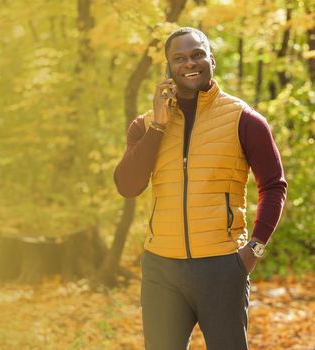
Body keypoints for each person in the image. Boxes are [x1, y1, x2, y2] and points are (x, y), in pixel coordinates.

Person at [113, 27, 287, 349]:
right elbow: (127, 186)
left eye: (197, 54)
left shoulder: (244, 120)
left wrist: (253, 250)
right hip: (161, 269)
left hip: (221, 267)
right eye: (178, 58)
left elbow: (274, 186)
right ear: (168, 68)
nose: (189, 63)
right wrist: (159, 126)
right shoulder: (146, 124)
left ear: (211, 60)